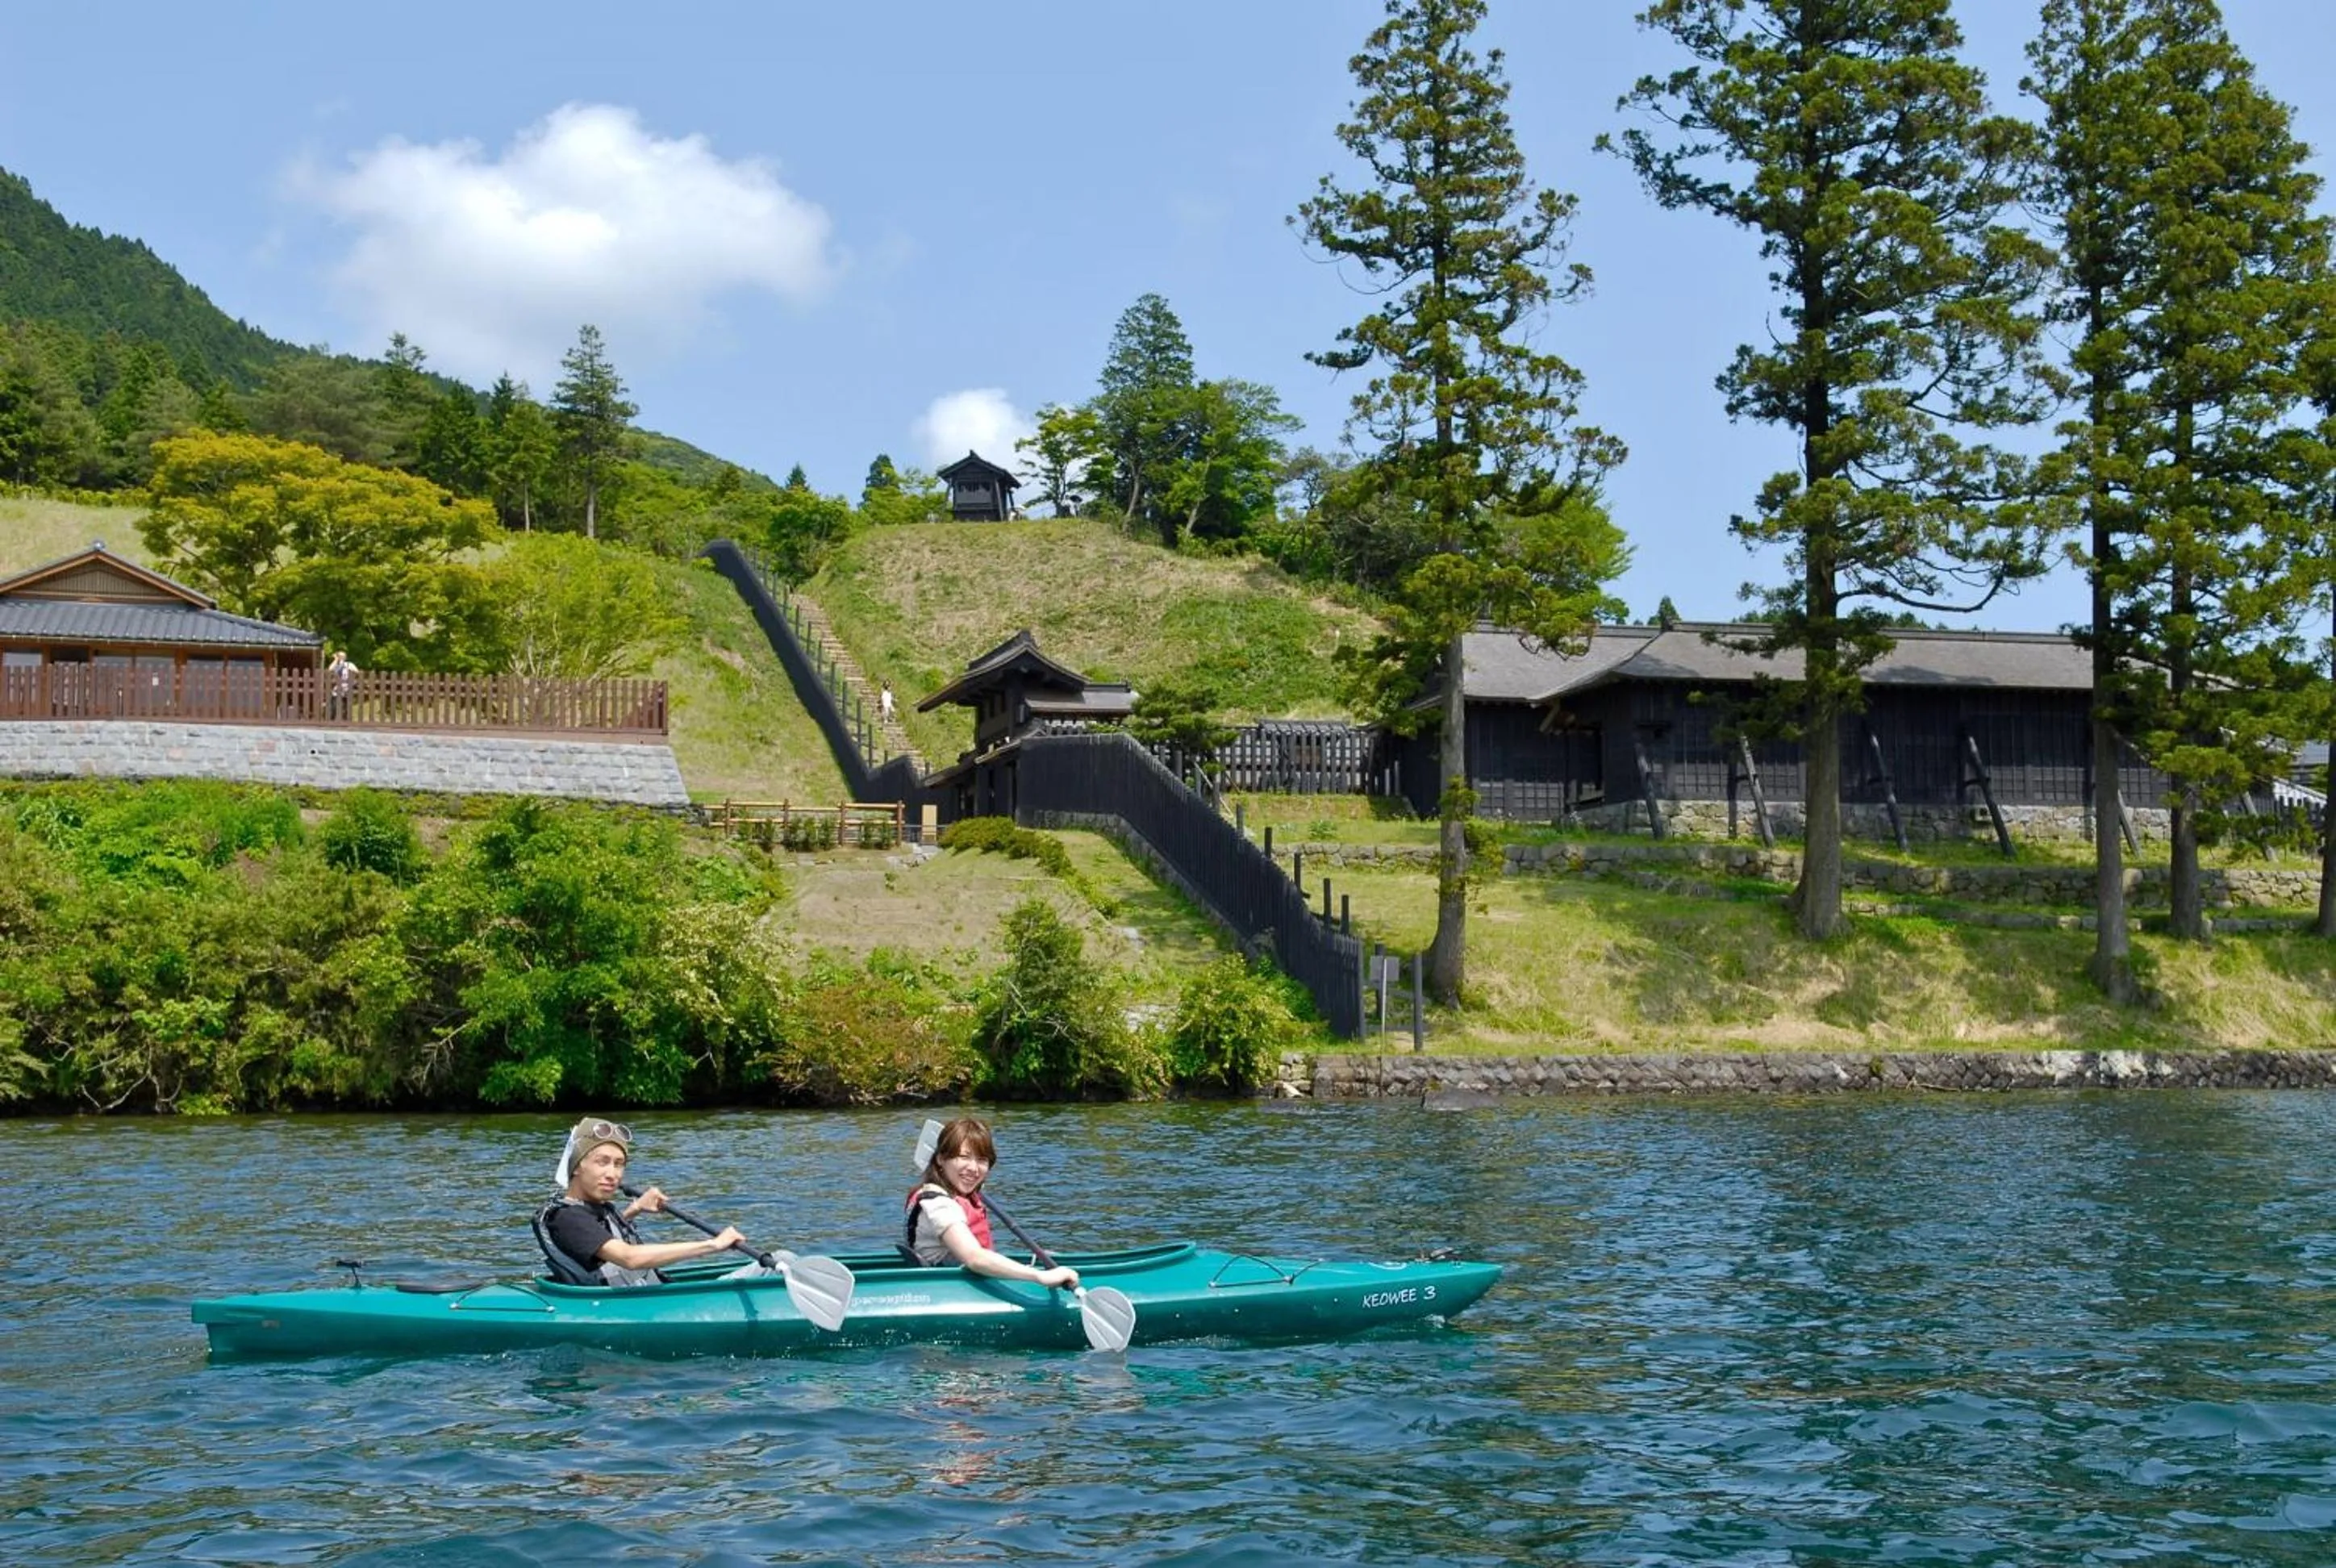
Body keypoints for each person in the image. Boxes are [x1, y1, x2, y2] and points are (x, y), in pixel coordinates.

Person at [533, 1117, 747, 1287]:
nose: (612, 1174)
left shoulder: (587, 1211)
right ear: (577, 1166)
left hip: (649, 1294)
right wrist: (713, 1245)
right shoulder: (568, 1218)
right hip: (644, 1305)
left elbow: (593, 1238)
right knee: (780, 1260)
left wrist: (635, 1208)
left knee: (780, 1260)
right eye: (602, 1162)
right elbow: (629, 1258)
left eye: (619, 1164)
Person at [903, 1116, 1079, 1289]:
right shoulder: (939, 1205)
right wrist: (1039, 1276)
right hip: (949, 1288)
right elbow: (974, 1258)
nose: (973, 1168)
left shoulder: (946, 1194)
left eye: (981, 1160)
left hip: (956, 1281)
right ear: (941, 1159)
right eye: (964, 1157)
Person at [325, 649, 359, 721]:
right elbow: (330, 669)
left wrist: (352, 678)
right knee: (334, 704)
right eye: (340, 656)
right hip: (338, 687)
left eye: (342, 656)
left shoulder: (349, 664)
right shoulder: (336, 665)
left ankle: (345, 719)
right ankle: (332, 719)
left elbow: (357, 672)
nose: (341, 657)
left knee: (346, 705)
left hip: (347, 687)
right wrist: (336, 660)